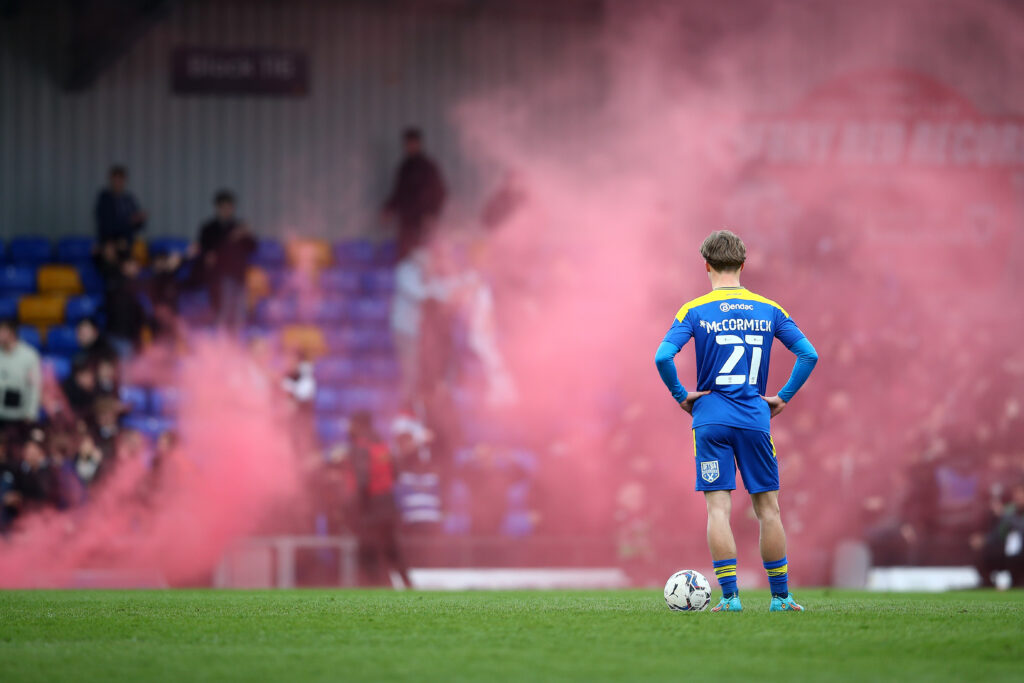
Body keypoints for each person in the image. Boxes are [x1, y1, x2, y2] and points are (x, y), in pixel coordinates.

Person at [654, 230, 818, 612]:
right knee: (768, 509)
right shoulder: (770, 309)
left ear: (706, 266)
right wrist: (782, 397)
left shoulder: (692, 310)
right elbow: (808, 354)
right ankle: (780, 598)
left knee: (718, 509)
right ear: (743, 265)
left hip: (710, 419)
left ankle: (730, 599)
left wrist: (681, 396)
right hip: (754, 417)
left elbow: (663, 357)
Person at [348, 411, 411, 588]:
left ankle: (379, 587)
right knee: (392, 550)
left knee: (366, 552)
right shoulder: (384, 446)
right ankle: (407, 585)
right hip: (388, 504)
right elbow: (396, 474)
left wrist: (358, 508)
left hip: (371, 506)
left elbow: (362, 481)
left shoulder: (361, 447)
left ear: (358, 425)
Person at [381, 128, 447, 259]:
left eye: (413, 143)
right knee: (405, 255)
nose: (410, 146)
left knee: (425, 255)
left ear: (419, 143)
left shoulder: (428, 167)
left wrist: (432, 215)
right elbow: (398, 193)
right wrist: (388, 209)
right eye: (407, 144)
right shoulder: (404, 168)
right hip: (407, 221)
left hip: (424, 220)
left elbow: (441, 192)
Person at [197, 190, 257, 331]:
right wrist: (231, 237)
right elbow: (207, 252)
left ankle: (235, 347)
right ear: (217, 208)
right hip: (219, 277)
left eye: (229, 207)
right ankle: (221, 347)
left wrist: (247, 234)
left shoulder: (239, 227)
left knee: (238, 315)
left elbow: (252, 247)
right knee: (223, 313)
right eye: (223, 207)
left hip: (238, 275)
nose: (226, 210)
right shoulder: (209, 229)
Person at [0, 318, 42, 434]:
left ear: (11, 332)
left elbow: (35, 386)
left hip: (20, 415)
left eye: (1, 331)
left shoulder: (29, 355)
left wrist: (31, 413)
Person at [94, 165, 146, 258]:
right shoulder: (105, 199)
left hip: (127, 243)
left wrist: (139, 220)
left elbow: (137, 224)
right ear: (111, 180)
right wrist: (128, 222)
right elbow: (106, 224)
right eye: (116, 180)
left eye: (120, 180)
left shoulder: (128, 199)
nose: (118, 183)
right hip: (110, 243)